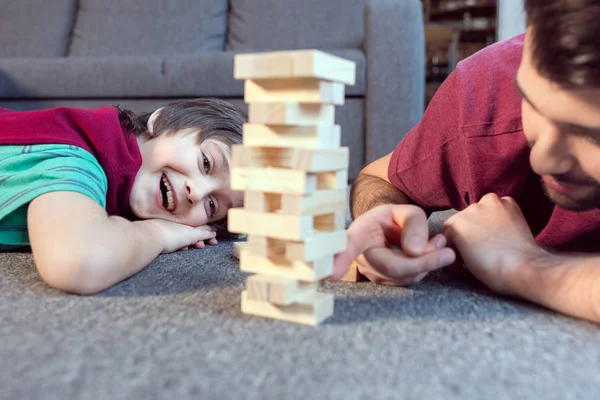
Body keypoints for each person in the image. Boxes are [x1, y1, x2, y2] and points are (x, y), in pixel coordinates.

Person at [333, 0, 600, 323]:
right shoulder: (483, 94)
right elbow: (378, 179)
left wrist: (524, 266)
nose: (542, 159)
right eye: (531, 101)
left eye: (591, 136)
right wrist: (383, 219)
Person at [0, 98, 245, 294]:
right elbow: (79, 263)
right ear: (163, 120)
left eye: (212, 205)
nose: (198, 193)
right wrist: (156, 234)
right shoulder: (79, 158)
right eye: (206, 162)